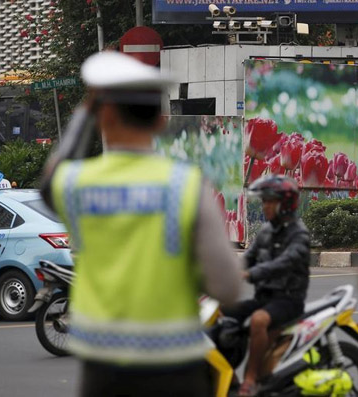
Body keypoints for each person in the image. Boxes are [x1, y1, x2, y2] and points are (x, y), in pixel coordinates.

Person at [43, 51, 242, 397]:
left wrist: (84, 114)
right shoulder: (187, 186)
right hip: (177, 372)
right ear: (160, 121)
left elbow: (49, 179)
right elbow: (228, 288)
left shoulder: (73, 184)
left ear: (104, 116)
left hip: (102, 373)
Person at [225, 175, 311, 397]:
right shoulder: (265, 232)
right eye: (264, 201)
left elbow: (284, 263)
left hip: (288, 300)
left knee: (258, 320)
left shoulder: (299, 235)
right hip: (264, 298)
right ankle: (228, 376)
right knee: (220, 312)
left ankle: (251, 378)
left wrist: (251, 273)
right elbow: (247, 258)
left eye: (270, 201)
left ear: (286, 204)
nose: (265, 206)